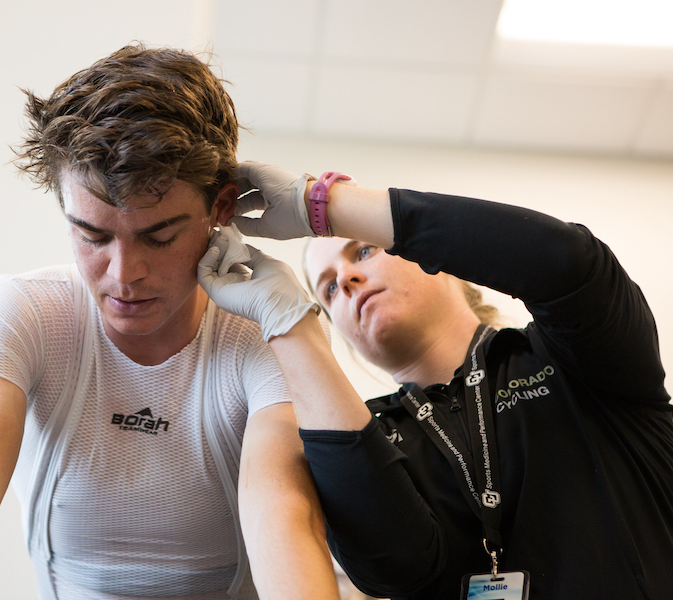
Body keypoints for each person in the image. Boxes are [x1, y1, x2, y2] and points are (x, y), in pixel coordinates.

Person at [0, 48, 343, 600]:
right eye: (92, 236)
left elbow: (280, 511)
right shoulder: (22, 312)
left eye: (159, 237)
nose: (123, 274)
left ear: (222, 209)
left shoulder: (263, 334)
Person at [198, 161, 673, 599]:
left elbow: (567, 263)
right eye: (327, 288)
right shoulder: (371, 436)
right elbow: (394, 565)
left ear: (440, 258)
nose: (345, 281)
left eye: (363, 251)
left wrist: (321, 207)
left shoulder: (574, 358)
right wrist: (289, 321)